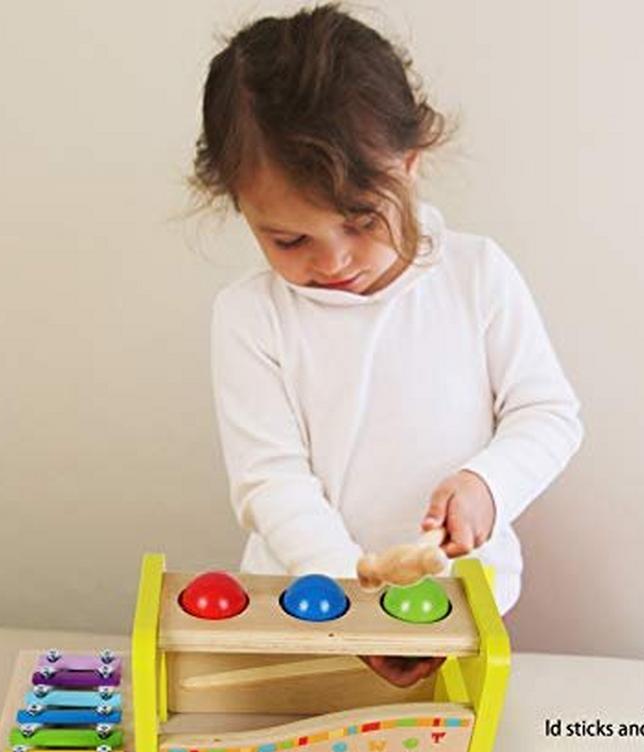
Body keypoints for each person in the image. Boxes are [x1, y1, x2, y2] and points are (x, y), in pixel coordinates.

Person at [191, 3, 583, 687]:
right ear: (241, 209)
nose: (335, 260)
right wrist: (353, 598)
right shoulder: (250, 317)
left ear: (409, 164)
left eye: (362, 221)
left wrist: (486, 486)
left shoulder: (476, 275)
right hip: (304, 613)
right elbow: (270, 480)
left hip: (459, 611)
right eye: (289, 240)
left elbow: (547, 413)